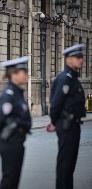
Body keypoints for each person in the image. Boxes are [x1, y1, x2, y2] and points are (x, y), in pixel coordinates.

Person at [47, 44, 86, 189]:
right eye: (77, 57)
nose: (81, 60)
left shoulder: (72, 77)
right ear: (68, 59)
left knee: (69, 165)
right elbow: (55, 104)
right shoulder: (66, 78)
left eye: (81, 57)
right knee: (65, 164)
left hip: (72, 124)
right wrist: (55, 122)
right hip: (67, 125)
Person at [0, 56, 32, 189]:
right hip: (9, 142)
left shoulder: (18, 92)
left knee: (14, 180)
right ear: (13, 74)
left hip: (17, 141)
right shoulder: (9, 95)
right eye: (23, 72)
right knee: (9, 180)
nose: (26, 75)